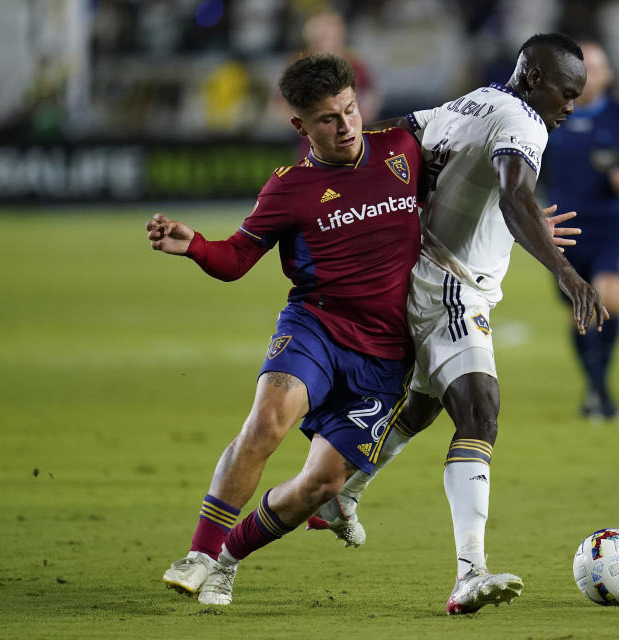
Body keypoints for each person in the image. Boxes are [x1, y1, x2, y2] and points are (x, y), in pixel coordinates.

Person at [310, 33, 606, 615]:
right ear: (537, 77)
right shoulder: (526, 123)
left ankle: (341, 492)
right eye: (567, 93)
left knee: (424, 404)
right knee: (480, 410)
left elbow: (393, 134)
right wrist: (566, 272)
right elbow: (516, 195)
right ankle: (470, 572)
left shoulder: (472, 102)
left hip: (428, 270)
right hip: (449, 285)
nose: (572, 106)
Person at [149, 53, 426, 605]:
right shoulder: (290, 187)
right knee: (267, 423)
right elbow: (235, 259)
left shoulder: (402, 149)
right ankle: (200, 553)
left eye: (350, 109)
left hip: (386, 355)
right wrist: (196, 246)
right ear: (300, 125)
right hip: (316, 327)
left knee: (322, 485)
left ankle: (228, 561)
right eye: (328, 118)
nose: (346, 126)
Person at [542, 41, 619, 422]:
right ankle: (597, 390)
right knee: (579, 316)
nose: (588, 75)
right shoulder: (547, 117)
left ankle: (598, 390)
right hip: (564, 231)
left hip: (612, 226)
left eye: (595, 68)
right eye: (581, 68)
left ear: (608, 74)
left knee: (608, 303)